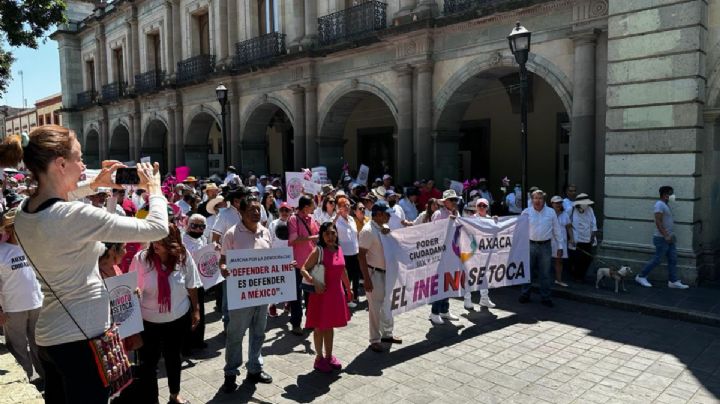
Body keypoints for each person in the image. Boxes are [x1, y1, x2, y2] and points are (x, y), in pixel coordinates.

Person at [4, 125, 168, 403]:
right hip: (80, 341)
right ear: (60, 164)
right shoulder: (74, 215)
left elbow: (55, 200)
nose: (83, 165)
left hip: (50, 338)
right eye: (79, 158)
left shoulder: (23, 212)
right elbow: (157, 227)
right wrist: (154, 187)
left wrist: (96, 184)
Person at [129, 224, 201, 404]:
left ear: (172, 240)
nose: (155, 243)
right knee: (149, 363)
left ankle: (174, 395)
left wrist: (196, 309)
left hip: (177, 318)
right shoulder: (141, 259)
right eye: (154, 238)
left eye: (161, 239)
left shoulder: (183, 257)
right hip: (149, 322)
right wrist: (135, 291)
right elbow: (130, 287)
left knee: (173, 357)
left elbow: (191, 284)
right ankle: (151, 399)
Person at [219, 193, 274, 392]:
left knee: (259, 333)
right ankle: (231, 373)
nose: (257, 212)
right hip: (241, 295)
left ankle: (255, 369)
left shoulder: (266, 232)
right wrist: (224, 268)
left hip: (262, 294)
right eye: (252, 209)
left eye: (259, 209)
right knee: (235, 335)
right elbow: (222, 260)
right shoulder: (232, 234)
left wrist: (285, 266)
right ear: (241, 212)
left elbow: (272, 261)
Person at [299, 222, 352, 372]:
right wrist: (313, 281)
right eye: (327, 233)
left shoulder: (339, 249)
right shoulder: (318, 250)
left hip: (336, 294)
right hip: (320, 295)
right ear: (322, 235)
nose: (330, 236)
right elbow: (303, 269)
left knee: (330, 326)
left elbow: (343, 271)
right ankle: (318, 358)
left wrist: (348, 289)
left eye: (333, 233)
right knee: (319, 328)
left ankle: (329, 356)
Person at [0, 208, 44, 382]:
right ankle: (25, 382)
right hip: (13, 308)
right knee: (18, 349)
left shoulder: (34, 246)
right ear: (10, 229)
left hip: (38, 304)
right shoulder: (2, 251)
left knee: (40, 347)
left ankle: (47, 382)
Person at [358, 201, 401, 352]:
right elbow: (361, 256)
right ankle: (374, 339)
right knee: (375, 308)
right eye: (386, 213)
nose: (389, 216)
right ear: (378, 214)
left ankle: (387, 333)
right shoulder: (368, 231)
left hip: (386, 272)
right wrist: (366, 279)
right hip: (374, 273)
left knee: (388, 305)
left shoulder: (382, 227)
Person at [635, 186, 689, 289]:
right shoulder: (659, 205)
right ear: (665, 195)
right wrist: (665, 235)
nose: (673, 196)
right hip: (662, 238)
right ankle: (641, 276)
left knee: (673, 259)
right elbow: (658, 222)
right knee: (657, 259)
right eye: (671, 193)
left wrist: (670, 236)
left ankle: (673, 281)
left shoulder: (665, 205)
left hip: (669, 237)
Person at [519, 190, 563, 307]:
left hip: (545, 246)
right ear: (532, 200)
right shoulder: (526, 212)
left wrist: (560, 246)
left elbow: (557, 230)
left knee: (545, 273)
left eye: (540, 198)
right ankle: (525, 294)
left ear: (544, 200)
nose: (537, 200)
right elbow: (517, 228)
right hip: (530, 245)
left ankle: (546, 297)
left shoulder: (551, 212)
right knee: (528, 272)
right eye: (535, 198)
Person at [287, 195, 319, 335]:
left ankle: (310, 320)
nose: (314, 208)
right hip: (297, 264)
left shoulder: (312, 219)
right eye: (312, 205)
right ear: (306, 207)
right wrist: (313, 238)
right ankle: (296, 324)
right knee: (296, 296)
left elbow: (317, 235)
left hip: (310, 263)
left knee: (310, 295)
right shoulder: (293, 219)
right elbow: (293, 240)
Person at [429, 190, 461, 325]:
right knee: (441, 282)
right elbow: (434, 231)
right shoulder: (438, 214)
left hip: (452, 252)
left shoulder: (456, 213)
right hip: (441, 253)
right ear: (445, 201)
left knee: (448, 281)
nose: (454, 202)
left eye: (455, 200)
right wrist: (449, 222)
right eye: (452, 200)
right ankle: (434, 312)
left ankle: (444, 310)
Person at [463, 198, 496, 310]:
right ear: (476, 207)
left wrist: (497, 221)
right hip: (473, 252)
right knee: (470, 275)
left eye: (484, 205)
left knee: (485, 275)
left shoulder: (490, 219)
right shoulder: (471, 219)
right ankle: (467, 299)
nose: (482, 207)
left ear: (487, 207)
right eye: (479, 205)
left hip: (486, 251)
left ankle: (484, 298)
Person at [183, 214, 209, 351]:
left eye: (202, 226)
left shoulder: (203, 239)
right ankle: (186, 344)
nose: (198, 229)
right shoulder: (183, 240)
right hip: (186, 282)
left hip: (200, 281)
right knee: (188, 313)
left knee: (200, 311)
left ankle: (199, 340)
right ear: (189, 225)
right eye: (194, 225)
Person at [334, 195, 360, 308]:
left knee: (356, 276)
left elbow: (355, 235)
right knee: (346, 277)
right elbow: (329, 226)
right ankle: (346, 299)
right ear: (339, 208)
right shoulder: (337, 220)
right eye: (344, 206)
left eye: (348, 205)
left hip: (355, 251)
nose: (347, 207)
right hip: (344, 253)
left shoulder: (351, 219)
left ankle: (354, 296)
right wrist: (336, 216)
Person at [568, 193, 598, 283]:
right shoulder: (571, 210)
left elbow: (594, 224)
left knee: (587, 259)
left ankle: (582, 275)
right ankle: (576, 276)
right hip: (576, 240)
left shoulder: (590, 210)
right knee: (577, 259)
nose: (585, 205)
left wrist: (592, 236)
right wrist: (571, 238)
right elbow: (568, 224)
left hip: (588, 239)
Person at [550, 196, 571, 287]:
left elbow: (569, 227)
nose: (558, 204)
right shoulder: (548, 213)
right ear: (552, 204)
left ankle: (558, 280)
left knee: (559, 261)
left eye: (560, 203)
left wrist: (572, 238)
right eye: (556, 203)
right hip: (549, 240)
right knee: (547, 261)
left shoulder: (565, 214)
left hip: (561, 241)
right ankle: (547, 280)